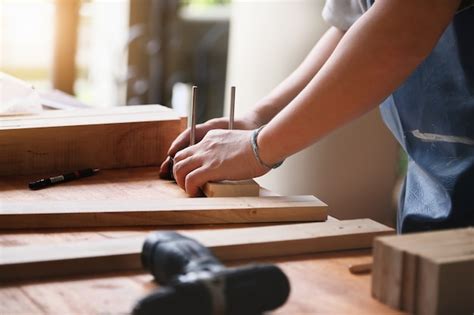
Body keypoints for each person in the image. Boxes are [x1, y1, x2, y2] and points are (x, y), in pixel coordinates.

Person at [160, 0, 474, 233]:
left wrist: (258, 148)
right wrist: (258, 118)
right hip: (436, 194)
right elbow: (354, 26)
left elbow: (399, 35)